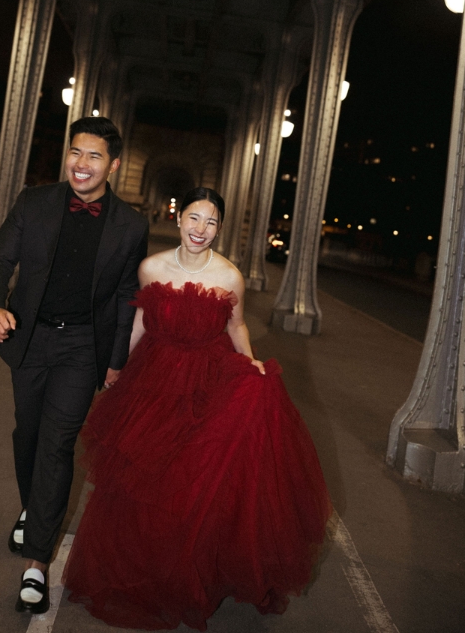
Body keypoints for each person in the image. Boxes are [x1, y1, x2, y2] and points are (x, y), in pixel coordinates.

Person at [63, 186, 332, 631]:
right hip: (153, 380)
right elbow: (139, 322)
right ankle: (139, 568)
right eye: (193, 218)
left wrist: (251, 364)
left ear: (219, 229)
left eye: (210, 222)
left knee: (189, 484)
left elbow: (237, 324)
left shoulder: (229, 277)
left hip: (207, 382)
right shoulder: (151, 267)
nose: (200, 229)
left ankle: (182, 575)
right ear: (179, 218)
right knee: (141, 480)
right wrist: (116, 369)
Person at [0, 116, 148, 614]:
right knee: (26, 434)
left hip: (81, 348)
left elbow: (125, 297)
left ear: (112, 165)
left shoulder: (131, 225)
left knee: (57, 444)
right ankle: (33, 506)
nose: (80, 163)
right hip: (29, 339)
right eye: (76, 152)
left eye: (93, 156)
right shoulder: (35, 202)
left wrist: (116, 361)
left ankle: (36, 564)